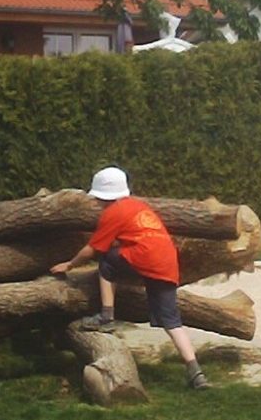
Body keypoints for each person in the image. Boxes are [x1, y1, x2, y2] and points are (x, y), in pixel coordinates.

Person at [50, 166, 210, 390]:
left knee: (106, 261)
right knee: (172, 322)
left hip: (145, 259)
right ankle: (196, 373)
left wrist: (69, 264)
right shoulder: (138, 206)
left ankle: (106, 316)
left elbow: (92, 249)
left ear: (103, 196)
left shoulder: (112, 213)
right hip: (167, 264)